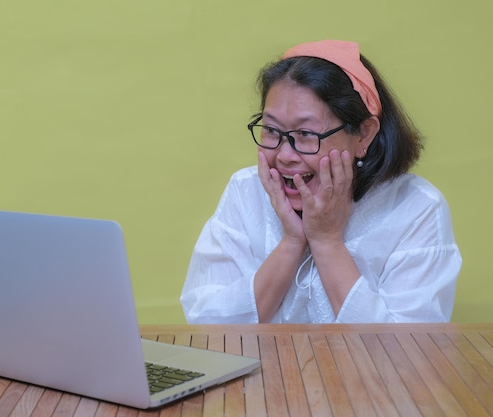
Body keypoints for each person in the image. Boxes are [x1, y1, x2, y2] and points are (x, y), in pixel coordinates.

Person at [180, 40, 461, 324]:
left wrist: (326, 241)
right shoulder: (246, 191)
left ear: (364, 134)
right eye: (271, 130)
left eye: (305, 134)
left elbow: (407, 352)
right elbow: (208, 329)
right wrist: (291, 242)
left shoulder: (416, 208)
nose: (285, 155)